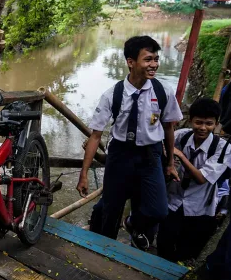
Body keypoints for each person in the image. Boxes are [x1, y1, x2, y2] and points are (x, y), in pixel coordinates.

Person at [77, 36, 183, 250]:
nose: (153, 65)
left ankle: (133, 224)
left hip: (150, 155)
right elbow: (95, 136)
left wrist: (170, 162)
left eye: (155, 59)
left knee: (158, 210)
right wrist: (84, 173)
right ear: (131, 62)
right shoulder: (113, 94)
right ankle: (104, 250)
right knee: (110, 208)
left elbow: (169, 128)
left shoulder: (163, 92)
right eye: (147, 60)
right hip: (120, 155)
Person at [157, 98, 231, 262]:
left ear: (216, 124)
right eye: (198, 122)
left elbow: (201, 179)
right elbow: (161, 145)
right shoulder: (180, 136)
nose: (203, 128)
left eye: (209, 123)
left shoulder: (223, 148)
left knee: (187, 252)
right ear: (190, 121)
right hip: (173, 200)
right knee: (164, 243)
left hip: (200, 208)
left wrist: (180, 155)